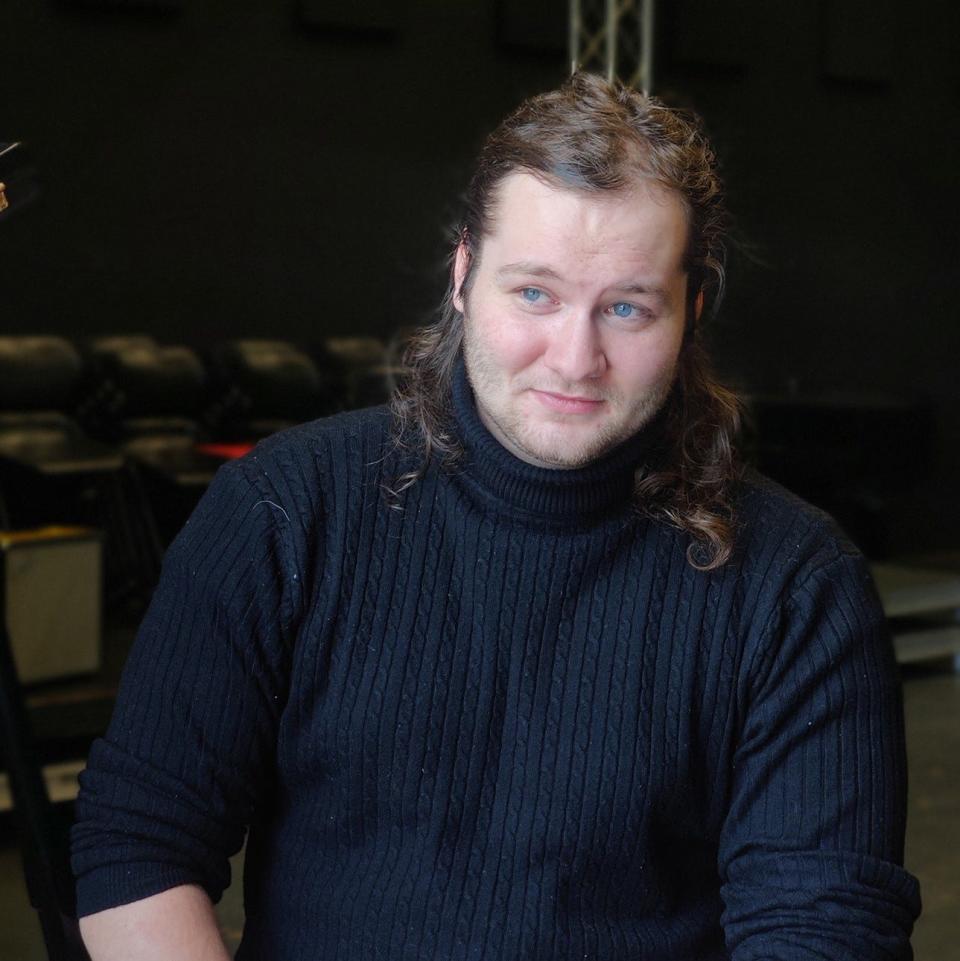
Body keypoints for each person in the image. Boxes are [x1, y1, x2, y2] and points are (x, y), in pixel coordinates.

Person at [71, 72, 921, 960]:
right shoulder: (287, 510)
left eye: (627, 307)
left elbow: (825, 929)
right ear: (464, 275)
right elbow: (140, 839)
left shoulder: (794, 585)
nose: (575, 356)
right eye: (535, 294)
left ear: (692, 310)